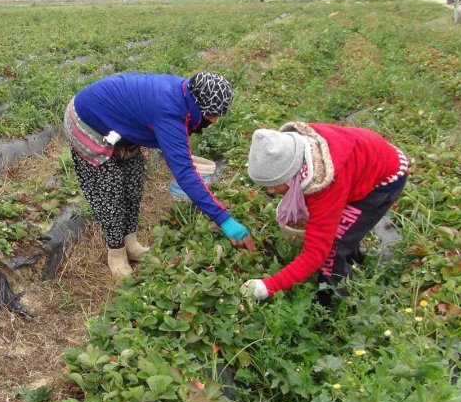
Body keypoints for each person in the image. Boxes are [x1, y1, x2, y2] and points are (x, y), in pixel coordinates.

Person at [64, 72, 256, 278]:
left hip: (118, 123)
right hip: (88, 121)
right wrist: (225, 220)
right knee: (110, 194)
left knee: (133, 185)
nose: (214, 120)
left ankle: (131, 245)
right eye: (211, 114)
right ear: (198, 105)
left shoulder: (185, 94)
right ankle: (116, 254)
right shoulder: (170, 112)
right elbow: (185, 174)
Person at [241, 122, 408, 303]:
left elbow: (316, 252)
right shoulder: (295, 149)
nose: (271, 192)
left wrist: (269, 286)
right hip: (367, 159)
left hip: (385, 179)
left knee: (334, 245)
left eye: (273, 185)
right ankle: (353, 261)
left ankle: (334, 300)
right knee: (344, 229)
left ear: (292, 175)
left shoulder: (327, 186)